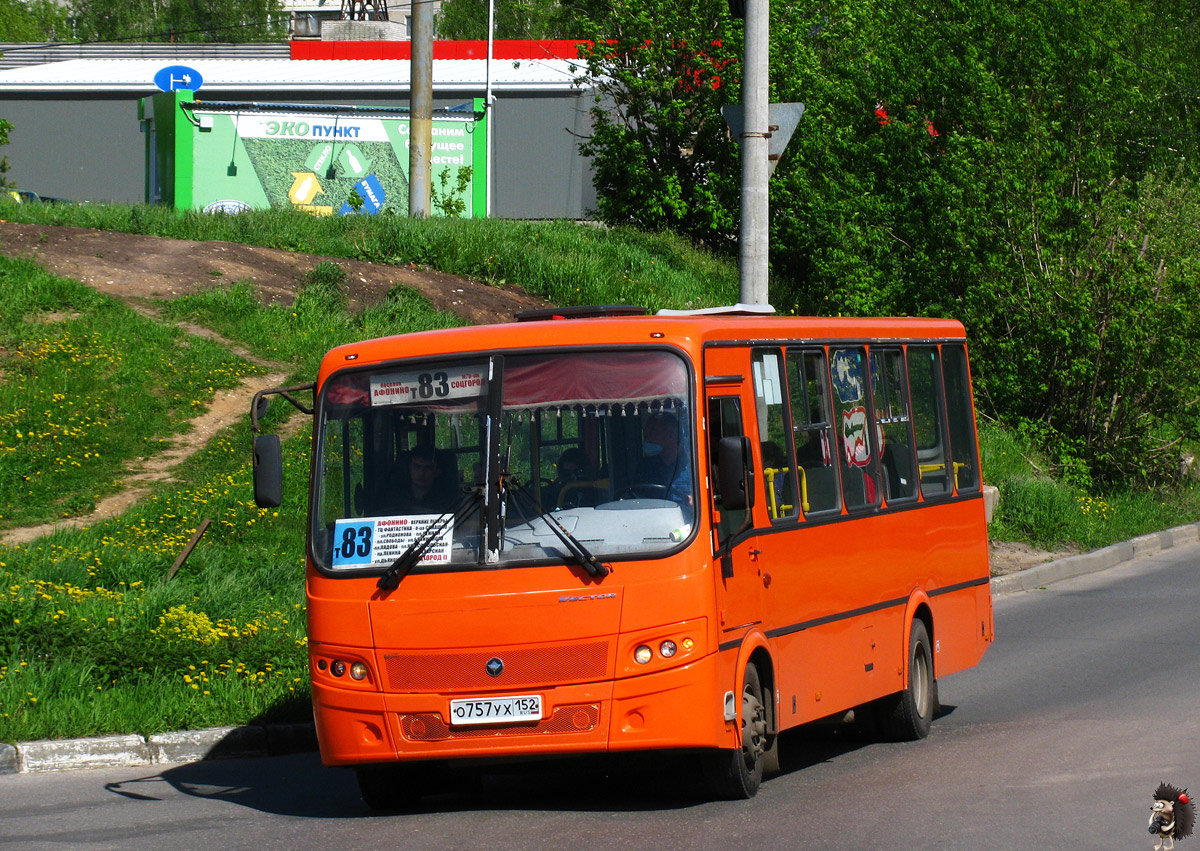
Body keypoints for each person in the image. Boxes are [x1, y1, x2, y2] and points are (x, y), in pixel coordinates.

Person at [634, 412, 692, 509]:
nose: (647, 439)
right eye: (646, 434)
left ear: (671, 436)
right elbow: (636, 498)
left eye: (652, 433)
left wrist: (695, 501)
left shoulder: (694, 467)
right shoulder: (645, 467)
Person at [390, 446, 457, 514]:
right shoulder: (394, 498)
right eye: (417, 467)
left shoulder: (448, 500)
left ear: (437, 472)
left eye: (428, 468)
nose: (421, 473)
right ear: (410, 468)